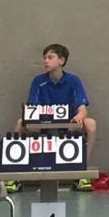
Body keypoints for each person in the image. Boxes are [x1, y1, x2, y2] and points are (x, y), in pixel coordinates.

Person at [13, 43, 97, 191]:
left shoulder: (74, 81)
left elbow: (83, 109)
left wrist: (79, 117)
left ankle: (82, 172)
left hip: (68, 124)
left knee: (91, 124)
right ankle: (14, 175)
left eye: (50, 57)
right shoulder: (38, 81)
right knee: (20, 123)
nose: (46, 61)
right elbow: (32, 108)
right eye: (45, 58)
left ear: (61, 60)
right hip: (43, 124)